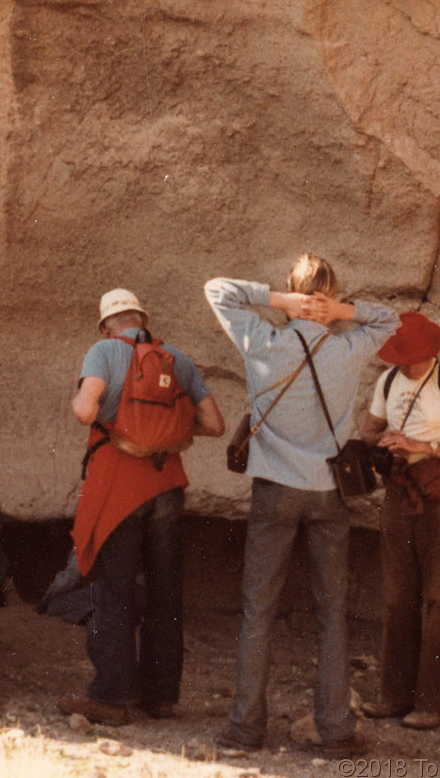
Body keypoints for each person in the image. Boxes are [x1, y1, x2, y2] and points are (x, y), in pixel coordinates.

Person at [205, 256, 399, 758]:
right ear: (330, 298)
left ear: (293, 294)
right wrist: (340, 311)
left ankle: (245, 730)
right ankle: (335, 730)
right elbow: (391, 321)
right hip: (328, 490)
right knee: (331, 611)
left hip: (274, 486)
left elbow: (217, 289)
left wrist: (278, 302)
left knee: (257, 609)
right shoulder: (348, 348)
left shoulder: (261, 340)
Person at [57, 288, 225, 726]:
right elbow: (214, 423)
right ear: (141, 318)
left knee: (114, 590)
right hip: (166, 485)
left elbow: (83, 409)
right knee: (166, 593)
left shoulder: (104, 351)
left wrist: (108, 418)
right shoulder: (177, 360)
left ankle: (112, 698)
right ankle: (160, 697)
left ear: (108, 325)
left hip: (120, 487)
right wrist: (165, 429)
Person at [357, 312, 440, 730]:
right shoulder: (389, 381)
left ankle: (434, 703)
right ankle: (394, 697)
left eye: (409, 357)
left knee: (439, 600)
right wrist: (382, 444)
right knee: (397, 598)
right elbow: (369, 431)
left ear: (429, 353)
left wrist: (421, 445)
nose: (404, 365)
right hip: (399, 492)